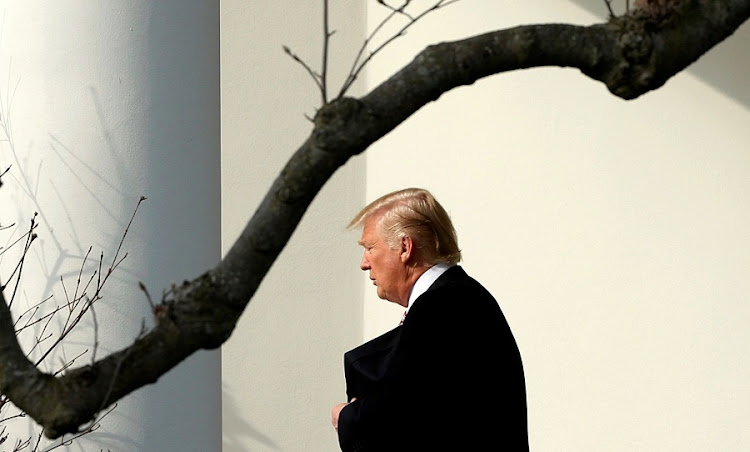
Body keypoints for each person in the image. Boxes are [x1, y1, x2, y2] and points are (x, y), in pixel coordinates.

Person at [331, 188, 529, 451]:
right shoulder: (460, 298)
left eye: (369, 247)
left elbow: (399, 406)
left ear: (404, 247)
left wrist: (346, 417)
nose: (364, 263)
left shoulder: (442, 306)